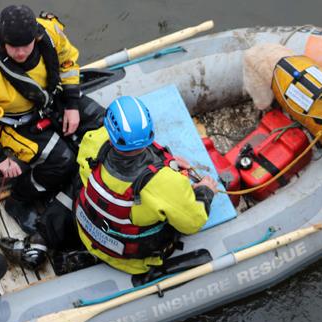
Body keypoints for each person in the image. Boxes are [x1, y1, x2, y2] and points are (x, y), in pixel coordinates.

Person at [0, 5, 104, 269]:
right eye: (13, 47)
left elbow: (68, 62)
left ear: (36, 36)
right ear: (1, 39)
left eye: (26, 45)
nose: (21, 53)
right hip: (13, 122)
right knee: (62, 162)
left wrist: (71, 103)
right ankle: (20, 198)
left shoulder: (50, 31)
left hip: (50, 98)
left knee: (103, 124)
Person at [74, 96, 218, 275]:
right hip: (132, 262)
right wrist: (205, 191)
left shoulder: (93, 142)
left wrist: (166, 162)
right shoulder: (165, 183)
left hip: (89, 236)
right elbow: (192, 223)